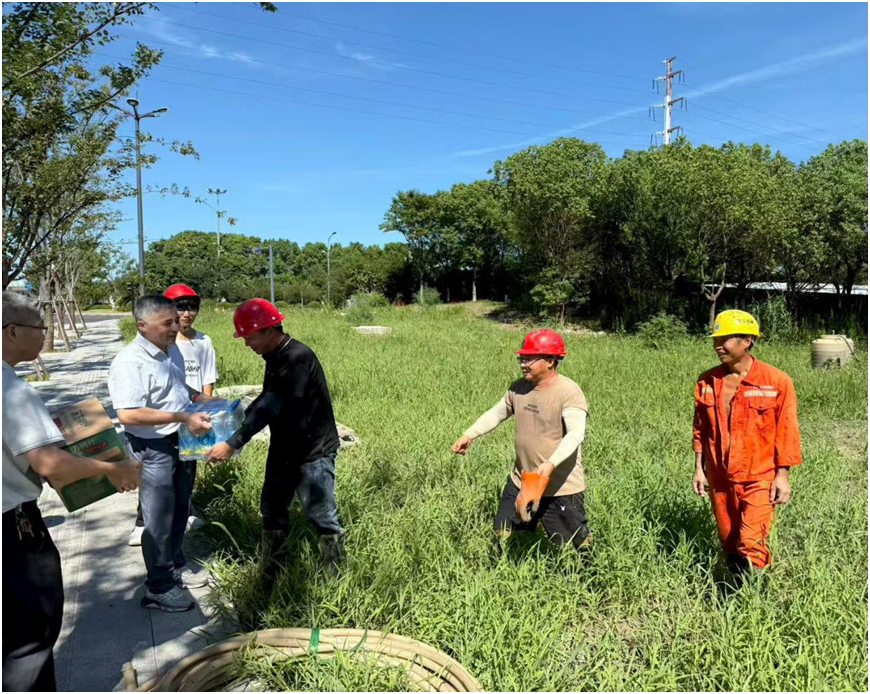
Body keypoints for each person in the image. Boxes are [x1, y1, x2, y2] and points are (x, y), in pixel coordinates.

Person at [2, 292, 140, 692]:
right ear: (13, 331)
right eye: (39, 328)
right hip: (13, 532)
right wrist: (115, 469)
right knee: (28, 637)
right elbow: (50, 463)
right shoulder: (12, 391)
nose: (44, 336)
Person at [205, 298, 346, 576]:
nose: (247, 344)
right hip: (285, 447)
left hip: (312, 450)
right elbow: (265, 398)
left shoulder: (297, 357)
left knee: (322, 515)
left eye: (249, 337)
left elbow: (273, 404)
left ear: (270, 330)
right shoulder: (275, 355)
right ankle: (273, 567)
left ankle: (335, 573)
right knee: (271, 507)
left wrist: (233, 443)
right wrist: (233, 418)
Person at [108, 295, 213, 612]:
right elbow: (128, 414)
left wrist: (200, 399)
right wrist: (182, 417)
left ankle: (174, 566)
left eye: (175, 321)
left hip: (180, 441)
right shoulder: (130, 362)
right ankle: (158, 587)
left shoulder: (172, 351)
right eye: (167, 323)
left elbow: (178, 388)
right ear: (143, 326)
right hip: (153, 447)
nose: (176, 326)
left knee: (181, 505)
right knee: (157, 517)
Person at [452, 329, 591, 554]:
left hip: (559, 486)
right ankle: (507, 570)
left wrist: (550, 463)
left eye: (529, 359)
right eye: (521, 359)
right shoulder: (519, 387)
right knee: (504, 536)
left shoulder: (568, 392)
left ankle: (589, 581)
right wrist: (470, 434)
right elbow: (497, 413)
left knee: (574, 548)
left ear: (550, 361)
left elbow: (576, 434)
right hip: (522, 480)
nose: (523, 364)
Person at [692, 310, 802, 580]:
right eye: (716, 339)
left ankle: (755, 598)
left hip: (759, 477)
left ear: (748, 340)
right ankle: (732, 594)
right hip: (719, 476)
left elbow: (787, 431)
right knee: (729, 540)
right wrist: (699, 469)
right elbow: (700, 430)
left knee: (751, 542)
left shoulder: (776, 382)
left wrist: (783, 475)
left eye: (726, 339)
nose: (719, 345)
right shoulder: (707, 381)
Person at [128, 284, 217, 547]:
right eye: (179, 308)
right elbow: (131, 410)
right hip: (163, 424)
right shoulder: (155, 348)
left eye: (192, 306)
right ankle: (144, 523)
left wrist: (207, 405)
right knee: (157, 485)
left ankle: (183, 518)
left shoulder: (199, 342)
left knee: (185, 474)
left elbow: (202, 382)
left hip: (188, 417)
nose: (186, 314)